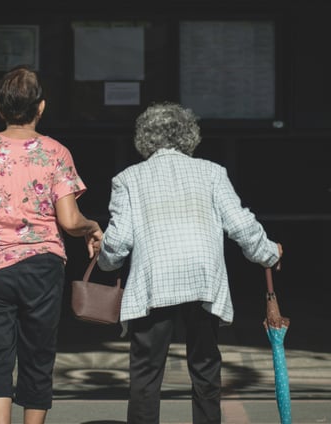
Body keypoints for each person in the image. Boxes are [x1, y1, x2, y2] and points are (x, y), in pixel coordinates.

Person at [97, 102, 283, 424]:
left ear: (144, 137)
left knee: (145, 372)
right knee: (206, 367)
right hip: (202, 279)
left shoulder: (128, 178)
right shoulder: (212, 172)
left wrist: (105, 263)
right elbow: (240, 225)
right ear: (189, 135)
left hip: (153, 282)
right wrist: (269, 253)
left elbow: (118, 241)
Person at [0, 65, 102, 424]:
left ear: (0, 109)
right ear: (41, 108)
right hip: (41, 265)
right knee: (38, 353)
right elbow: (69, 220)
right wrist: (92, 226)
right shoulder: (55, 153)